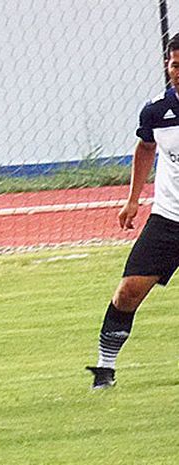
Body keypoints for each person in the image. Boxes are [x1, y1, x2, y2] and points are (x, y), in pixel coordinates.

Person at [86, 33, 179, 389]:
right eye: (174, 65)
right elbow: (145, 148)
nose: (178, 72)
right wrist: (132, 198)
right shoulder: (156, 110)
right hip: (168, 218)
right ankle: (104, 369)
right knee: (127, 291)